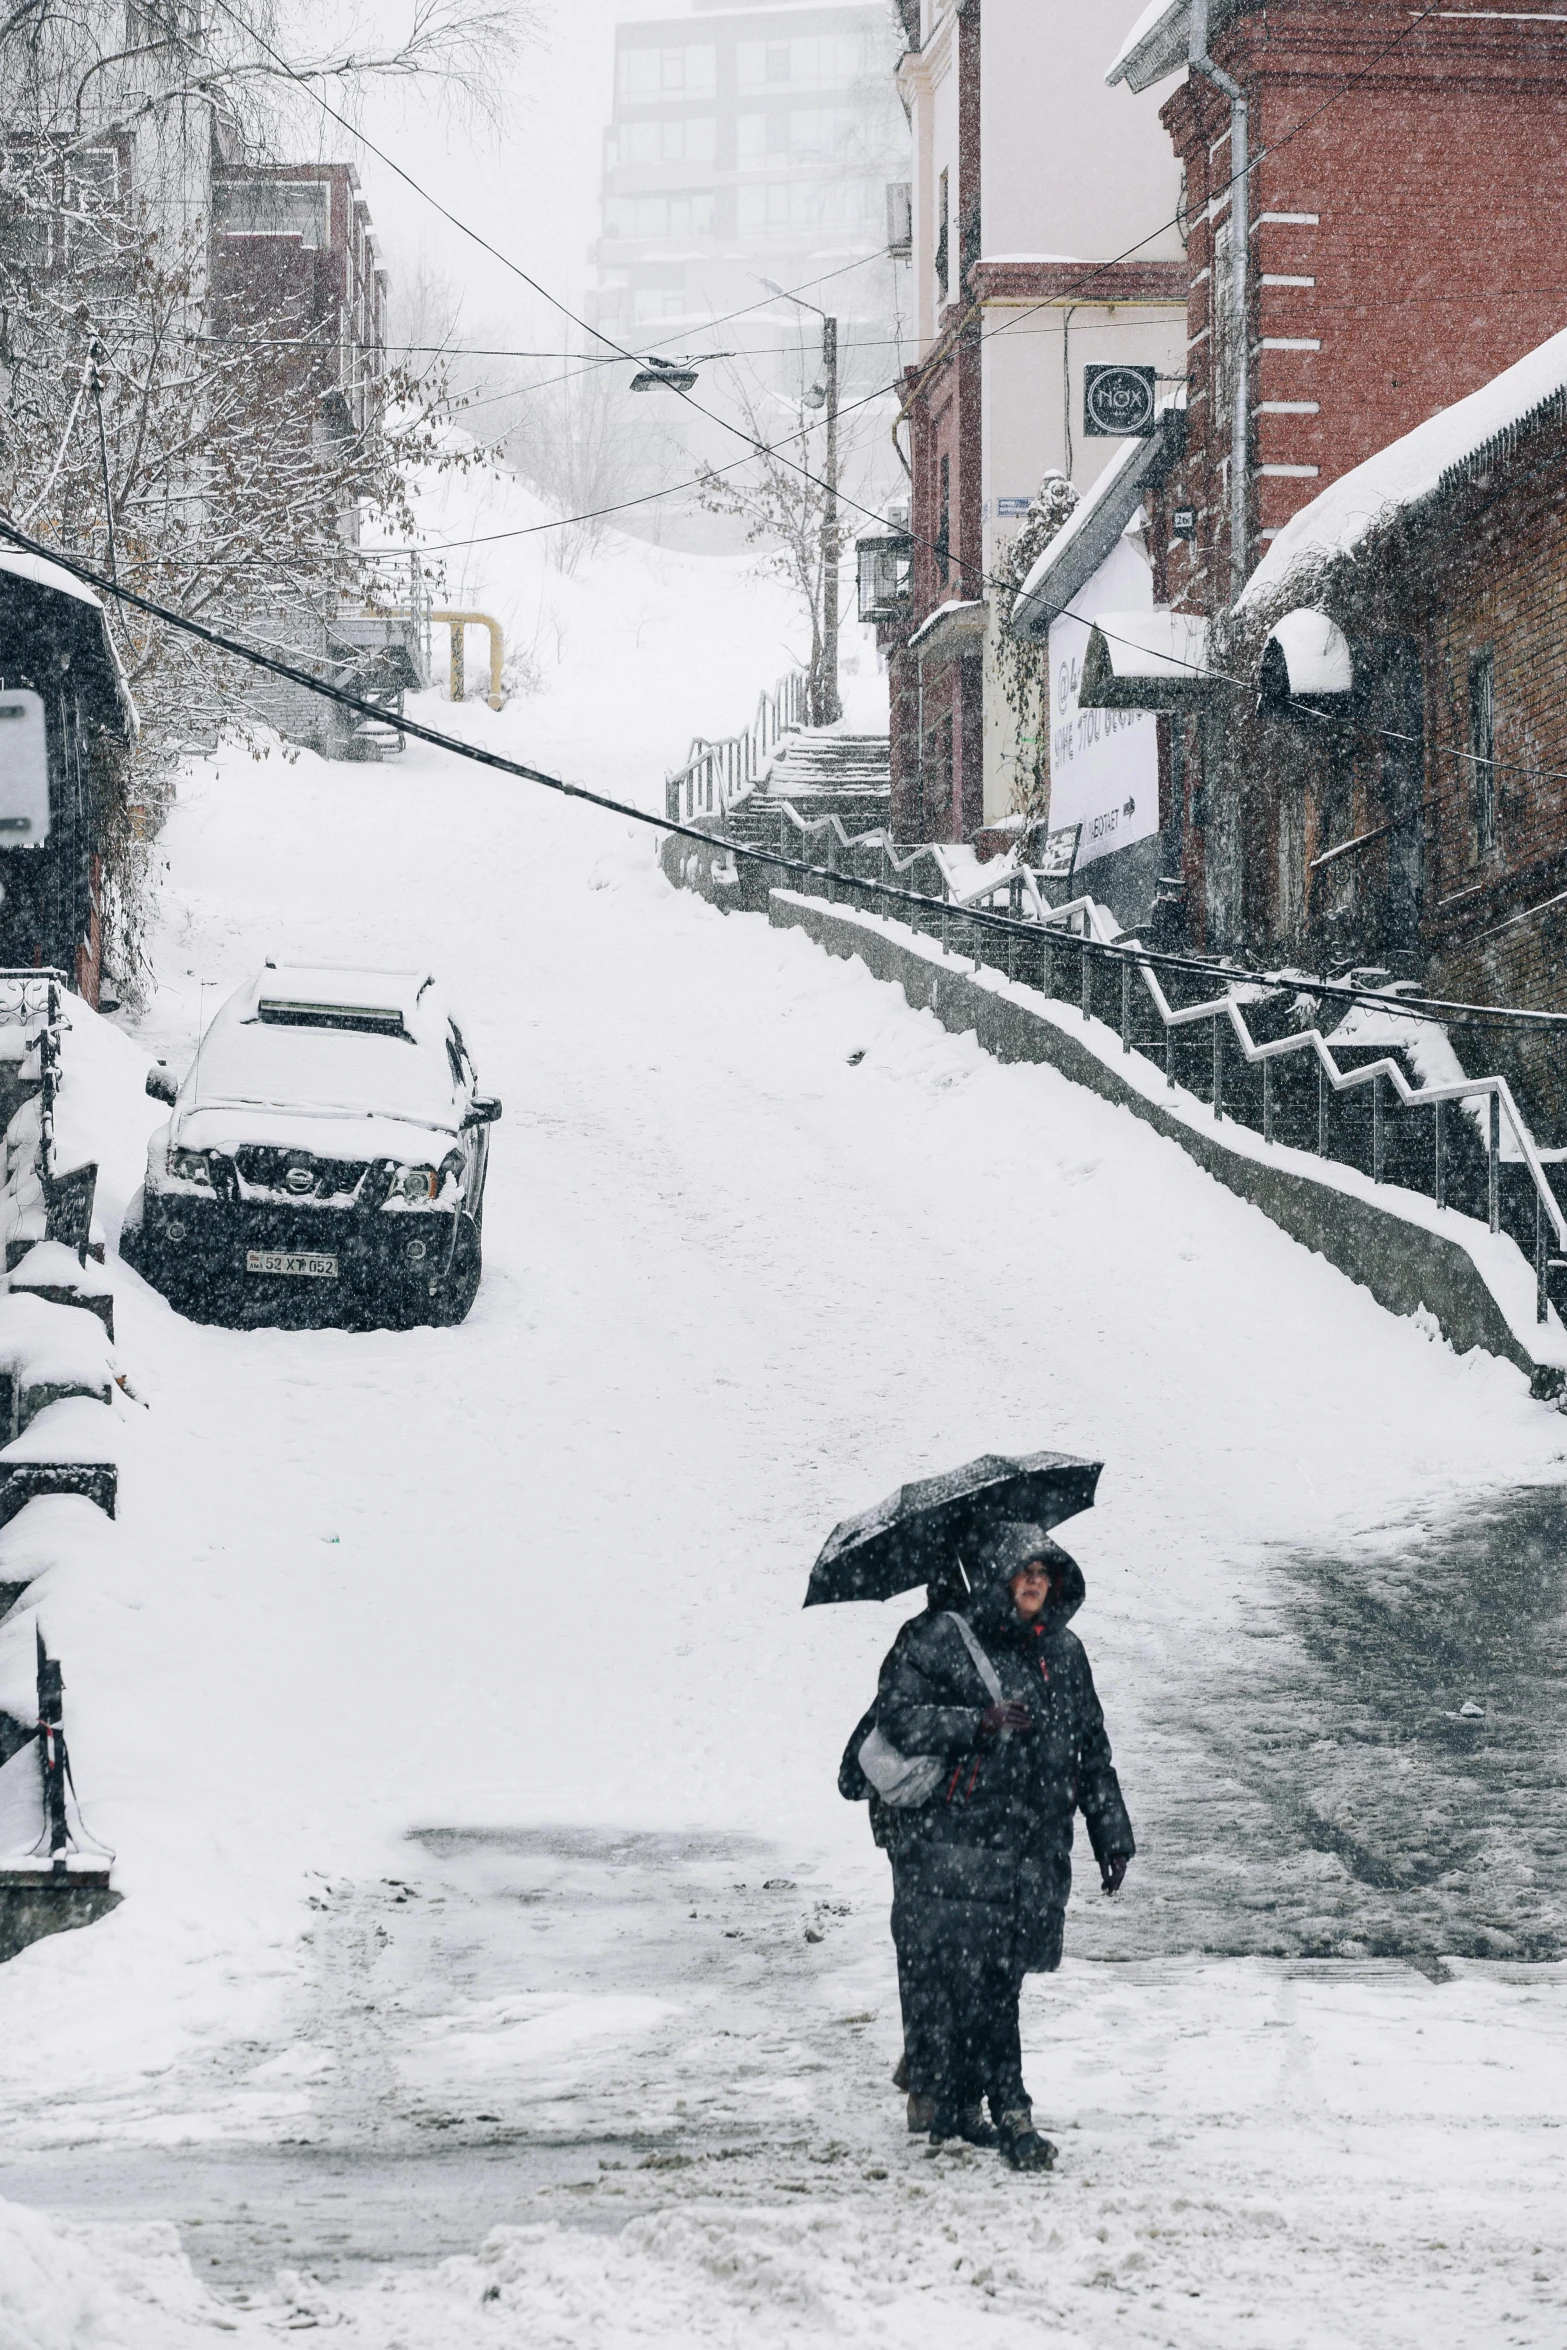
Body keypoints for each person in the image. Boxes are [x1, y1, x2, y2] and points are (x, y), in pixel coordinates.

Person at [876, 1521, 1134, 2171]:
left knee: (994, 1975)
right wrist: (976, 1723)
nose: (1035, 1581)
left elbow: (1089, 1749)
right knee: (982, 1977)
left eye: (1044, 1573)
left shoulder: (1065, 1653)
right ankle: (1008, 2110)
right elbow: (897, 1717)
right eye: (1023, 1570)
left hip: (1035, 1843)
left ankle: (960, 2104)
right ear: (994, 1573)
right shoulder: (937, 1637)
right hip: (956, 1840)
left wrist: (1110, 1828)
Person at [839, 1568, 970, 2138]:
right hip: (929, 1830)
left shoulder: (918, 1643)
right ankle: (927, 2079)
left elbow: (859, 1761)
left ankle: (927, 2071)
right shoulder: (944, 1649)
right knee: (938, 1957)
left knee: (928, 1957)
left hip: (921, 1832)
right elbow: (887, 1734)